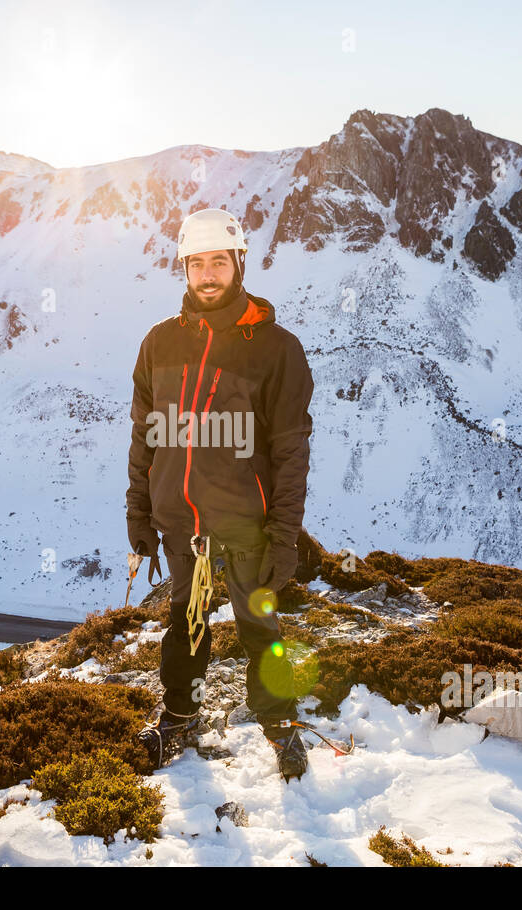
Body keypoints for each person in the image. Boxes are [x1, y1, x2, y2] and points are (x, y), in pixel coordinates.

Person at [125, 207, 314, 779]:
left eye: (219, 262)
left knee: (262, 630)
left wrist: (284, 538)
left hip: (247, 527)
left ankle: (280, 725)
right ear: (184, 267)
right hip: (182, 523)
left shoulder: (276, 348)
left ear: (238, 264)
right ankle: (179, 714)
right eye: (197, 263)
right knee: (186, 623)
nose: (208, 274)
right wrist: (140, 512)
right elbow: (145, 432)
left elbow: (290, 452)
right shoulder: (159, 342)